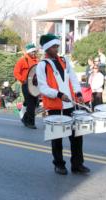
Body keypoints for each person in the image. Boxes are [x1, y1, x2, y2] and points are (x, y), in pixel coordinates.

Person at [36, 33, 90, 175]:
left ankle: (77, 165)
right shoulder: (42, 66)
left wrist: (78, 93)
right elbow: (43, 87)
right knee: (57, 138)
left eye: (57, 46)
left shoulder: (64, 61)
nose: (56, 49)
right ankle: (59, 164)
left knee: (77, 136)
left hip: (70, 106)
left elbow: (73, 78)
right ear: (47, 49)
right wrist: (59, 95)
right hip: (55, 107)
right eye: (54, 47)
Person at [13, 43, 39, 129]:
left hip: (35, 85)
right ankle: (31, 123)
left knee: (34, 104)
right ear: (28, 52)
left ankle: (25, 118)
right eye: (33, 52)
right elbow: (16, 72)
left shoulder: (37, 61)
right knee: (31, 104)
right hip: (26, 84)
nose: (34, 53)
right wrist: (22, 80)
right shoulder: (23, 60)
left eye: (35, 52)